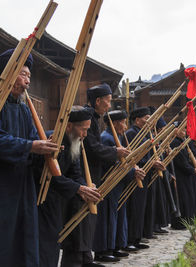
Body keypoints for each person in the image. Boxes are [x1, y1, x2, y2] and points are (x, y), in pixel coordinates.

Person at [0, 49, 59, 267]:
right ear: (8, 72)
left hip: (23, 183)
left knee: (25, 235)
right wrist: (30, 146)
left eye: (29, 77)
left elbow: (34, 138)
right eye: (23, 75)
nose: (27, 82)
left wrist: (47, 146)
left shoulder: (24, 110)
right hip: (3, 183)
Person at [61, 83, 129, 266]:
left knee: (89, 218)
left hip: (87, 175)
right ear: (97, 101)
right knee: (80, 217)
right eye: (108, 101)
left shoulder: (93, 117)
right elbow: (91, 148)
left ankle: (86, 257)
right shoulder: (86, 116)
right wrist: (115, 152)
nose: (109, 105)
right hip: (81, 176)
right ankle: (77, 259)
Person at [35, 106, 102, 267]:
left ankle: (80, 258)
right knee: (46, 244)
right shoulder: (50, 140)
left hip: (60, 196)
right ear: (69, 126)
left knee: (83, 205)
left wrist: (85, 186)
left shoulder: (74, 141)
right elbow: (50, 176)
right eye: (83, 129)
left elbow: (75, 172)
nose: (85, 134)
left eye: (87, 130)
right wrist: (79, 188)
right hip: (41, 198)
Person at [93, 110, 145, 262]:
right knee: (107, 217)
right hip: (109, 183)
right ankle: (103, 250)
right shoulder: (107, 138)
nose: (125, 125)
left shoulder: (120, 137)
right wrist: (131, 172)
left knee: (118, 215)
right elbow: (113, 165)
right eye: (123, 122)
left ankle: (115, 246)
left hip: (119, 184)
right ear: (115, 123)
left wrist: (134, 170)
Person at [125, 107, 164, 249]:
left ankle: (137, 237)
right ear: (137, 120)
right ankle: (130, 239)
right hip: (135, 175)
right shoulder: (131, 133)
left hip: (146, 175)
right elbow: (132, 158)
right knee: (134, 208)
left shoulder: (145, 134)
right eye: (146, 118)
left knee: (142, 208)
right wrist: (150, 163)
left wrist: (155, 162)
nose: (149, 121)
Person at [170, 122, 196, 229]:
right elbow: (181, 162)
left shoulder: (183, 142)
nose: (184, 133)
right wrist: (192, 170)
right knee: (182, 199)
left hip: (186, 175)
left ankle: (187, 220)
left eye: (185, 131)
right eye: (182, 130)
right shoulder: (174, 143)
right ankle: (179, 223)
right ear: (175, 130)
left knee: (188, 198)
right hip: (180, 175)